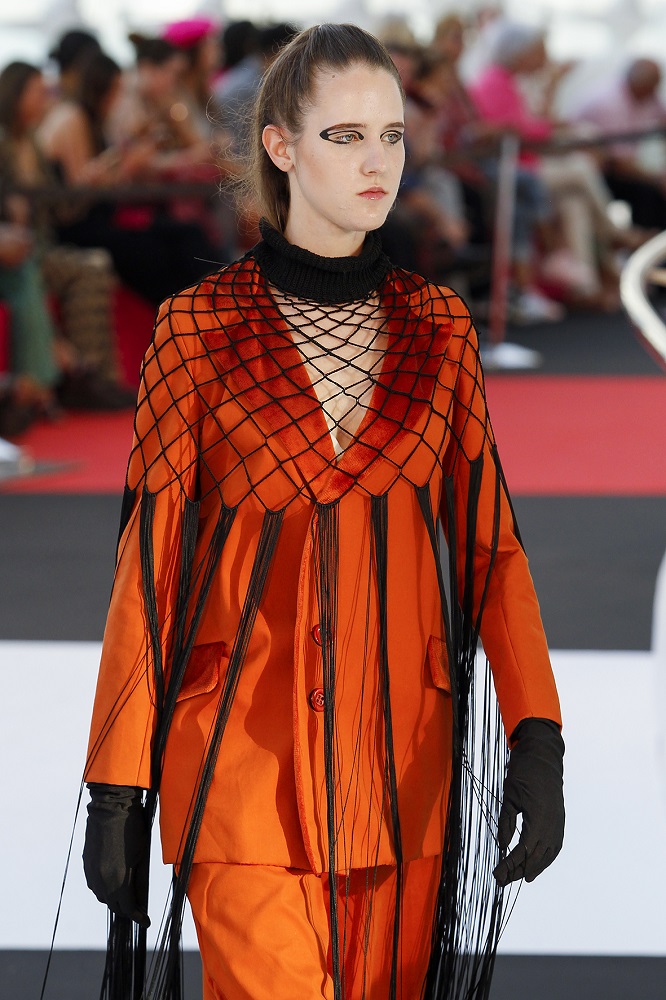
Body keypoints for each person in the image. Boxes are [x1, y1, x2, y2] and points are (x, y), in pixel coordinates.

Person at [81, 24, 564, 1000]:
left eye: (392, 135)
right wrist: (116, 784)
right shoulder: (195, 330)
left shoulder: (440, 328)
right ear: (282, 146)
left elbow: (492, 550)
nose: (378, 161)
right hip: (239, 765)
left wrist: (537, 735)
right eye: (346, 136)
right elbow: (152, 562)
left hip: (404, 769)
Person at [575, 58, 666, 231]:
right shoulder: (609, 103)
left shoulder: (647, 96)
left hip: (619, 166)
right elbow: (619, 164)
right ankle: (642, 240)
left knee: (653, 190)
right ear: (645, 84)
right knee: (648, 192)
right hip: (600, 171)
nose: (657, 90)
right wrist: (658, 179)